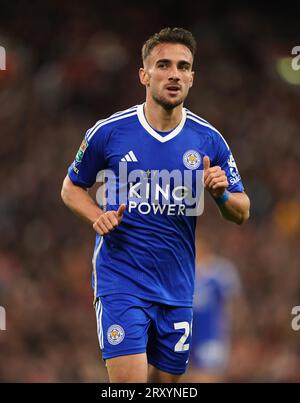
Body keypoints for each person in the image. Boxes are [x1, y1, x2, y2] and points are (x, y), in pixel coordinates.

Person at [61, 27, 250, 383]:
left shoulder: (208, 140)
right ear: (144, 76)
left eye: (183, 66)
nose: (174, 73)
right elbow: (71, 188)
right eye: (163, 65)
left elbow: (242, 211)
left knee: (166, 385)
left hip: (178, 287)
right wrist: (96, 215)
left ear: (192, 77)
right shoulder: (109, 132)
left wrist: (221, 194)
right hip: (121, 279)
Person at [185, 240, 242, 383]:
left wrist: (232, 335)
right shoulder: (182, 271)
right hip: (184, 335)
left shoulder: (221, 271)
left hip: (210, 336)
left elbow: (235, 305)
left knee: (208, 376)